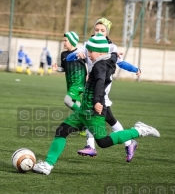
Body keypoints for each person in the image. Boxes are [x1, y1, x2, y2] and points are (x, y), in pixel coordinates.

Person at [32, 33, 160, 175]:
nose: (88, 54)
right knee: (61, 131)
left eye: (90, 52)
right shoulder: (107, 58)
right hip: (83, 111)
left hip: (93, 112)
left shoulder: (100, 66)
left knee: (103, 142)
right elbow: (111, 56)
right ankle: (48, 165)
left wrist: (97, 102)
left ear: (99, 52)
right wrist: (115, 54)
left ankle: (139, 130)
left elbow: (100, 83)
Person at [76, 17, 142, 161]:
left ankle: (91, 146)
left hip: (101, 88)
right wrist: (77, 54)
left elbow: (121, 63)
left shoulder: (112, 48)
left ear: (107, 32)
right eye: (97, 29)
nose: (99, 32)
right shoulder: (88, 44)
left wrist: (135, 69)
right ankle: (129, 142)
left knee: (91, 114)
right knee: (109, 119)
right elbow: (72, 55)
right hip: (90, 87)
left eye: (102, 30)